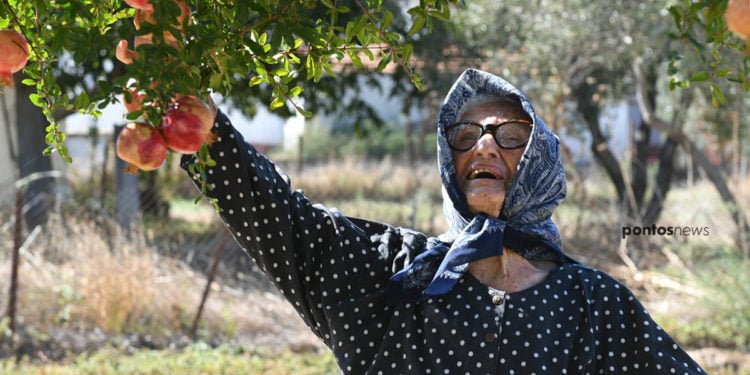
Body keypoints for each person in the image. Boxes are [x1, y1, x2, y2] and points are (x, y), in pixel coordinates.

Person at [175, 68, 708, 374]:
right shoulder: (394, 278)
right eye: (465, 135)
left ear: (541, 159)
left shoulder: (594, 306)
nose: (482, 143)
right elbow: (282, 221)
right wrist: (203, 131)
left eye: (509, 135)